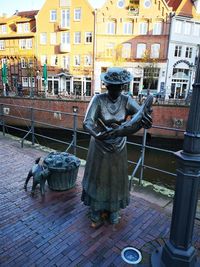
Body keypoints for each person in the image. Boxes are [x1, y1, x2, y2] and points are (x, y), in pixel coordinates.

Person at [81, 67, 153, 228]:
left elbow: (139, 116)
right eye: (112, 86)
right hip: (99, 145)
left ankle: (113, 209)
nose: (115, 89)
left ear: (123, 86)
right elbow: (87, 122)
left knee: (115, 179)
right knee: (99, 177)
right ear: (106, 85)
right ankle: (96, 208)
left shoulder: (126, 100)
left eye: (119, 86)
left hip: (119, 146)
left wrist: (146, 120)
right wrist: (97, 134)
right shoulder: (98, 100)